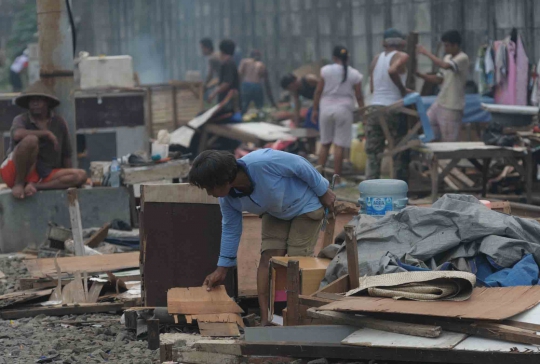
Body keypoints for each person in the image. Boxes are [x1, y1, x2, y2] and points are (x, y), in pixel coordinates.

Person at [189, 149, 336, 326]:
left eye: (209, 187)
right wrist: (222, 268)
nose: (209, 193)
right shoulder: (227, 199)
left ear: (223, 179)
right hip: (275, 212)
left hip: (305, 206)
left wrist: (323, 191)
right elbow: (231, 229)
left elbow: (299, 164)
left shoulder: (262, 162)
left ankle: (296, 316)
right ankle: (268, 317)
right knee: (268, 259)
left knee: (295, 261)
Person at [0, 81, 87, 199]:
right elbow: (17, 134)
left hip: (44, 174)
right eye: (32, 100)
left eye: (39, 99)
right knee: (31, 140)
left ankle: (35, 186)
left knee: (81, 175)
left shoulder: (59, 122)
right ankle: (20, 184)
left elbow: (66, 154)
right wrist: (46, 133)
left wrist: (69, 180)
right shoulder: (21, 119)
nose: (35, 103)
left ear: (47, 102)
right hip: (18, 172)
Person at [365, 28, 411, 182]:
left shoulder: (376, 59)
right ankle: (398, 188)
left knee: (373, 154)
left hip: (374, 108)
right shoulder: (402, 56)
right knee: (399, 150)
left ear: (384, 43)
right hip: (392, 108)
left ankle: (370, 189)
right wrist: (403, 90)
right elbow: (392, 71)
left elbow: (372, 88)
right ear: (402, 42)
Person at [312, 46, 364, 177]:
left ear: (334, 58)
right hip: (344, 110)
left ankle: (318, 176)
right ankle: (337, 179)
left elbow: (318, 91)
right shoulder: (355, 74)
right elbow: (359, 96)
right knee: (339, 145)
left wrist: (314, 109)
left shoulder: (325, 71)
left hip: (326, 108)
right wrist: (363, 112)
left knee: (325, 144)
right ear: (348, 58)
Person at [417, 30, 470, 142]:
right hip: (440, 102)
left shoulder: (462, 58)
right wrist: (419, 75)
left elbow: (446, 66)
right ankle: (435, 155)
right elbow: (439, 79)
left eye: (447, 46)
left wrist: (426, 53)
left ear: (455, 45)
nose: (445, 49)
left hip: (452, 106)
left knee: (449, 142)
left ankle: (450, 159)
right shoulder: (447, 57)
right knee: (427, 124)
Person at [208, 39, 240, 113]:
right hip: (228, 102)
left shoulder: (228, 63)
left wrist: (213, 93)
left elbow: (227, 83)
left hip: (228, 103)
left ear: (221, 51)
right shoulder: (230, 63)